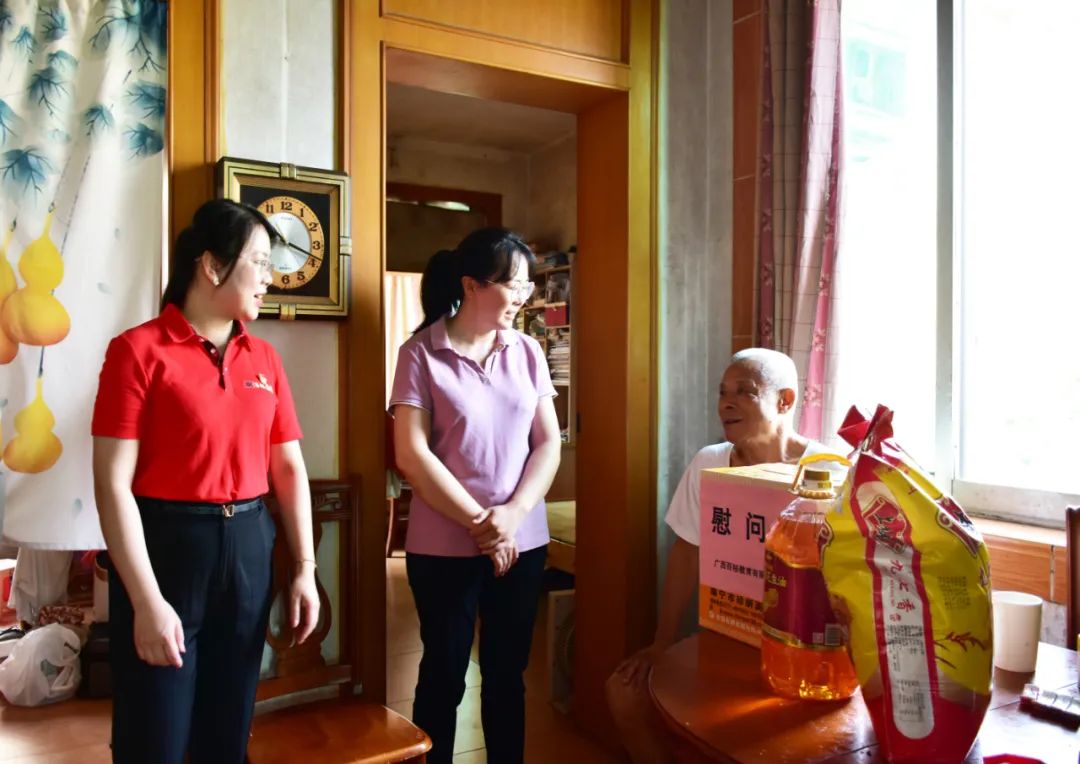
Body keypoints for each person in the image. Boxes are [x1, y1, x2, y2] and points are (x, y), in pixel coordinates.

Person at [92, 199, 320, 764]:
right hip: (167, 550)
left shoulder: (264, 358)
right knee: (156, 735)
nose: (270, 278)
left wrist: (304, 568)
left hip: (248, 546)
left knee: (227, 730)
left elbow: (288, 468)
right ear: (212, 266)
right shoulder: (137, 351)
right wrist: (146, 601)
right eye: (259, 262)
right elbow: (113, 484)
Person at [606, 348, 831, 763]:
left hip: (799, 652)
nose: (726, 403)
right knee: (622, 692)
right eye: (722, 392)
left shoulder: (826, 471)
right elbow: (686, 553)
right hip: (726, 637)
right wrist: (661, 642)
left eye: (744, 392)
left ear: (785, 401)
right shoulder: (709, 462)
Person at [390, 228, 562, 764]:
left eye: (528, 286)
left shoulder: (527, 351)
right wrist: (482, 525)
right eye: (513, 285)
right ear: (471, 285)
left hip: (522, 542)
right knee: (443, 673)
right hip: (443, 547)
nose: (523, 297)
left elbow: (548, 443)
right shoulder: (420, 353)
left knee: (508, 674)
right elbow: (412, 454)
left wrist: (512, 516)